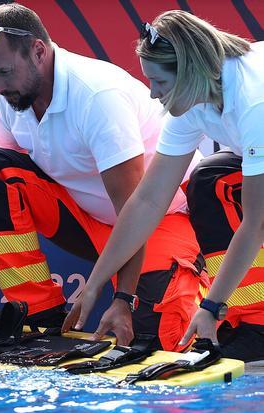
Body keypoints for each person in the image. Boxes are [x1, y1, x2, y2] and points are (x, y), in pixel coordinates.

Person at [0, 3, 206, 351]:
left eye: (4, 73)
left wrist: (123, 299)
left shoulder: (97, 97)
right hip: (86, 219)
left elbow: (137, 208)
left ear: (38, 51)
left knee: (159, 341)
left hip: (159, 219)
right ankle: (39, 312)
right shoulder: (10, 95)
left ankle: (201, 282)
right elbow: (2, 183)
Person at [66, 11, 263, 362]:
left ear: (190, 72)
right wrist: (96, 283)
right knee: (208, 180)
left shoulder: (254, 101)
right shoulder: (190, 97)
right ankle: (253, 326)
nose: (154, 95)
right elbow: (147, 199)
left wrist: (211, 305)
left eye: (160, 83)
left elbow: (256, 223)